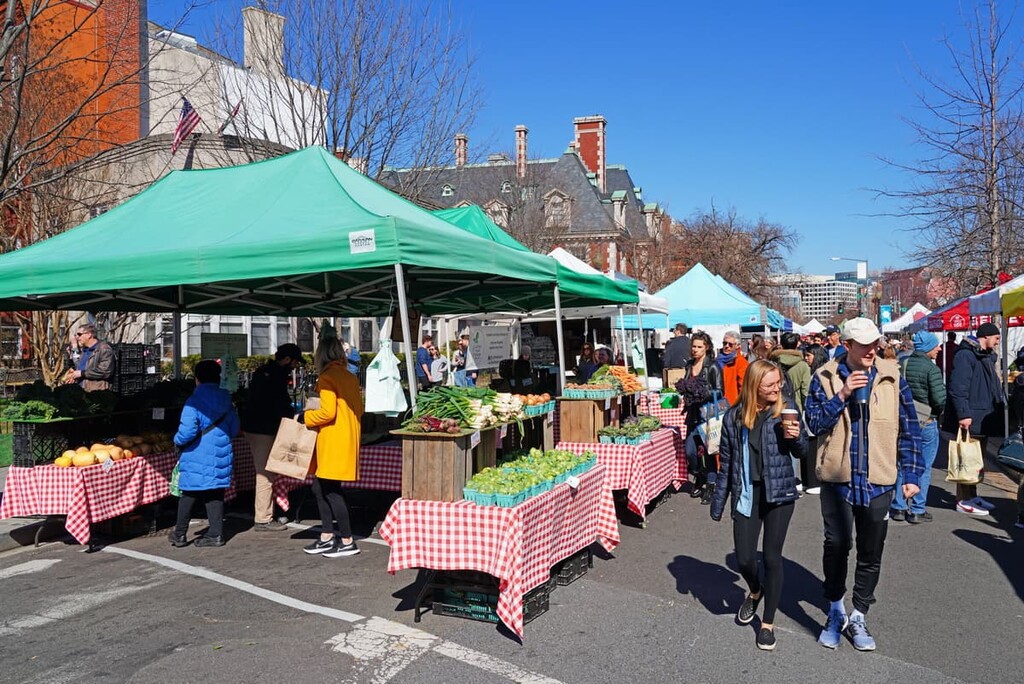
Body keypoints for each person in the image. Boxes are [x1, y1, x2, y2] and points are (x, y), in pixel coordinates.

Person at [805, 318, 923, 652]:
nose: (873, 349)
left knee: (871, 551)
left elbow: (910, 428)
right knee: (837, 545)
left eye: (875, 343)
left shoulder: (892, 376)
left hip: (878, 480)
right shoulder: (824, 377)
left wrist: (911, 476)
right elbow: (813, 424)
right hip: (837, 480)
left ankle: (859, 614)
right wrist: (841, 394)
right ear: (847, 345)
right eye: (865, 344)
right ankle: (834, 609)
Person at [711, 360, 807, 651]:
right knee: (744, 559)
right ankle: (755, 591)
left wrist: (795, 438)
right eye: (770, 385)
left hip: (779, 495)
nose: (778, 388)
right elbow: (726, 463)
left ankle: (767, 624)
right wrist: (718, 502)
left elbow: (802, 451)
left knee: (773, 559)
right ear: (754, 386)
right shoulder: (733, 418)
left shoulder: (785, 412)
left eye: (779, 383)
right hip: (747, 494)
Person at [302, 328, 363, 558]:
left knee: (330, 490)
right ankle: (327, 535)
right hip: (346, 439)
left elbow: (326, 412)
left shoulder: (327, 378)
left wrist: (305, 417)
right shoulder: (349, 376)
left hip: (333, 440)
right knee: (320, 487)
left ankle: (347, 540)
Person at [169, 360, 240, 548]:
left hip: (196, 454)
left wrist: (176, 440)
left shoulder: (193, 401)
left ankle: (179, 534)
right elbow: (234, 428)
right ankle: (216, 534)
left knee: (189, 494)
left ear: (197, 379)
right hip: (220, 454)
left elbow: (188, 432)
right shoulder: (226, 399)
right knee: (215, 494)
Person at [943, 322, 1005, 517]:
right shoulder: (966, 355)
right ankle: (963, 499)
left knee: (976, 459)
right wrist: (964, 414)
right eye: (996, 338)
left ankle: (973, 494)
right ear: (986, 336)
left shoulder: (983, 356)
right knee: (966, 458)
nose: (997, 343)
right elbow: (958, 387)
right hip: (971, 415)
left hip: (981, 415)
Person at [241, 343, 305, 532]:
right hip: (263, 429)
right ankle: (263, 518)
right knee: (265, 474)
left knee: (267, 471)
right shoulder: (275, 375)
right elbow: (278, 403)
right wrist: (295, 416)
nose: (296, 366)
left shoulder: (264, 371)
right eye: (294, 362)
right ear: (287, 359)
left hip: (255, 427)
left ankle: (269, 511)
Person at [890, 331, 946, 524]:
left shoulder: (902, 363)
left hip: (904, 418)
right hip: (927, 420)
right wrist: (936, 412)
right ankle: (917, 508)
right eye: (936, 345)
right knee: (924, 464)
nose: (939, 349)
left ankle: (898, 506)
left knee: (902, 462)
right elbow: (939, 399)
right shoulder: (932, 369)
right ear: (928, 347)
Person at [683, 331, 723, 503]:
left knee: (709, 451)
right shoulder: (689, 365)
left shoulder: (713, 366)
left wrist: (702, 393)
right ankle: (699, 475)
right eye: (694, 346)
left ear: (706, 348)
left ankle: (711, 485)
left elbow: (720, 391)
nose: (695, 350)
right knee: (690, 451)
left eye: (699, 347)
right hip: (692, 415)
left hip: (708, 415)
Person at [66, 323, 115, 391]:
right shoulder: (85, 350)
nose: (77, 337)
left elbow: (105, 371)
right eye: (76, 335)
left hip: (96, 391)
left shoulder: (104, 349)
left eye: (79, 334)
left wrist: (82, 373)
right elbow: (80, 368)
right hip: (81, 390)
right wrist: (74, 377)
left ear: (89, 335)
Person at [718, 330, 749, 405]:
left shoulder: (742, 363)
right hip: (717, 403)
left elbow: (743, 388)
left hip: (732, 404)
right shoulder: (717, 360)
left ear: (738, 345)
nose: (727, 346)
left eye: (730, 344)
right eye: (725, 343)